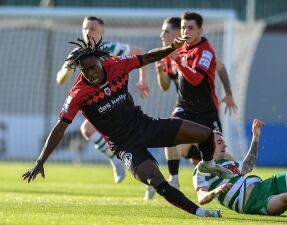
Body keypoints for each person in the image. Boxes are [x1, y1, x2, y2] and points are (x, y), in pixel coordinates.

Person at [22, 36, 234, 218]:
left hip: (146, 126)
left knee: (205, 134)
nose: (91, 73)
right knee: (157, 181)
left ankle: (207, 166)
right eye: (85, 71)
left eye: (93, 67)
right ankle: (201, 213)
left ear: (100, 61)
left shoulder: (115, 65)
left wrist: (171, 48)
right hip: (125, 146)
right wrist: (41, 161)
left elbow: (148, 57)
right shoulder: (78, 94)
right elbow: (60, 127)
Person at [145, 16, 237, 200]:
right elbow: (164, 86)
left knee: (217, 156)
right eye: (183, 27)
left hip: (206, 112)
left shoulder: (204, 51)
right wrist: (159, 69)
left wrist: (228, 93)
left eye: (166, 31)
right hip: (185, 107)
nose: (162, 35)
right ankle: (174, 179)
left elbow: (199, 78)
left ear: (199, 30)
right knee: (168, 131)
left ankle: (239, 176)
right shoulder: (178, 50)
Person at [56, 16, 150, 184]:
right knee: (88, 130)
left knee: (132, 143)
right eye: (85, 28)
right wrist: (68, 70)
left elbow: (141, 52)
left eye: (92, 28)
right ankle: (117, 162)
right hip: (99, 107)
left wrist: (143, 80)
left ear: (102, 32)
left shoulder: (111, 48)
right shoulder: (76, 54)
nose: (88, 32)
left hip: (118, 104)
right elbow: (60, 79)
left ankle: (148, 176)